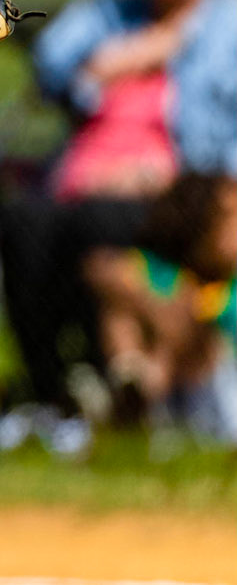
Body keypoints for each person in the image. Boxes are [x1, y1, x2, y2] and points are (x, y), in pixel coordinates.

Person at [0, 0, 236, 419]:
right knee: (23, 222)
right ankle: (50, 390)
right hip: (81, 183)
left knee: (99, 223)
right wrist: (126, 56)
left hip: (181, 195)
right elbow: (52, 64)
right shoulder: (113, 13)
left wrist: (173, 181)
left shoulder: (229, 29)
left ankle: (116, 382)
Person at [82, 172, 237, 446]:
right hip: (168, 370)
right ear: (200, 223)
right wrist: (157, 309)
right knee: (123, 314)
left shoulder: (229, 284)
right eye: (231, 217)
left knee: (190, 321)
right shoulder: (166, 272)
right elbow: (100, 268)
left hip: (216, 379)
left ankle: (139, 395)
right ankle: (132, 379)